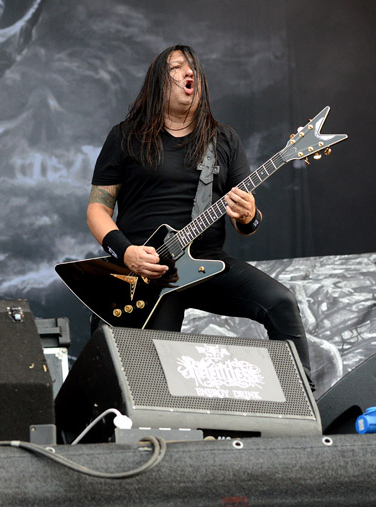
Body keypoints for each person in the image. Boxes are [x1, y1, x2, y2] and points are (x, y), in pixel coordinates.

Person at [86, 44, 312, 381]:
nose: (188, 72)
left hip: (206, 264)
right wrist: (127, 251)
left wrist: (248, 214)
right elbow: (97, 209)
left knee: (281, 302)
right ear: (157, 81)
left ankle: (302, 397)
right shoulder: (125, 137)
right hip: (146, 272)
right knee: (147, 375)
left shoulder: (224, 139)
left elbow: (246, 225)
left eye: (193, 68)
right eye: (177, 67)